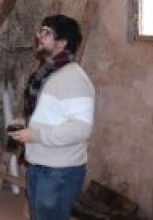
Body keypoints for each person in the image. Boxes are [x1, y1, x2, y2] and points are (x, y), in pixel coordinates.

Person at [9, 14, 95, 220]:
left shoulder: (74, 78)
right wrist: (27, 122)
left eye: (46, 32)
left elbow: (80, 129)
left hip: (59, 172)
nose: (39, 36)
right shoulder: (49, 73)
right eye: (41, 31)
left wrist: (36, 135)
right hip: (41, 166)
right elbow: (51, 114)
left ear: (62, 43)